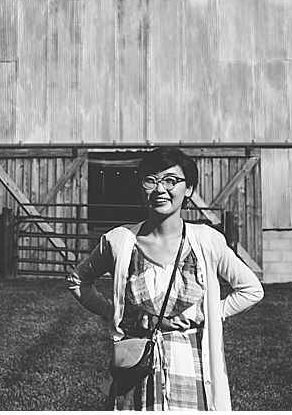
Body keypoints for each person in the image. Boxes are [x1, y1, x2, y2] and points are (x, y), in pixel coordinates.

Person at [67, 147, 264, 410]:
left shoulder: (206, 241)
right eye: (150, 180)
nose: (160, 189)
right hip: (136, 364)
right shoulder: (119, 241)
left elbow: (251, 289)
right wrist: (110, 311)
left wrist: (212, 313)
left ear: (189, 189)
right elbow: (78, 281)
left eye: (171, 180)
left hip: (191, 363)